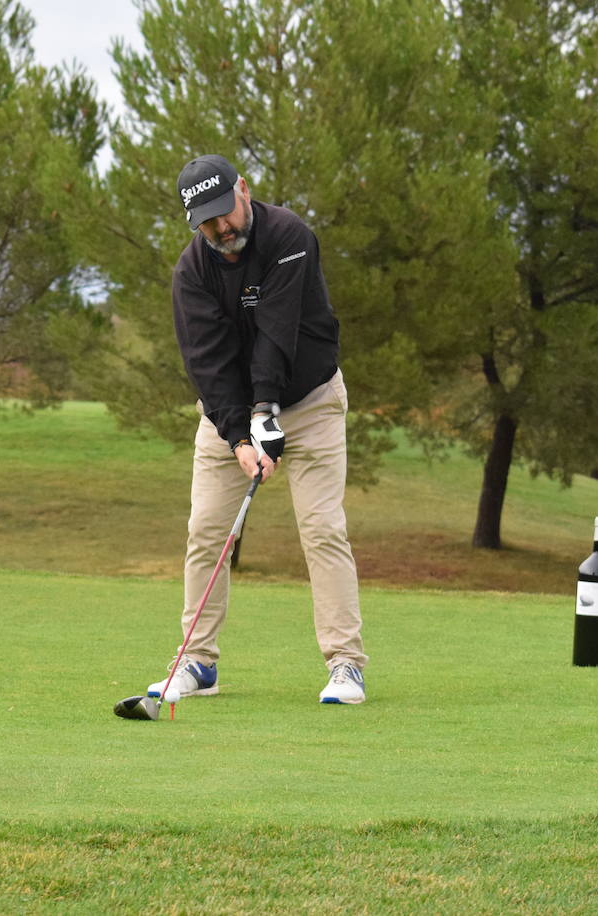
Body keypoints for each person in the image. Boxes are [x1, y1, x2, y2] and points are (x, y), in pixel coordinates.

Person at [147, 153, 368, 705]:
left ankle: (346, 665)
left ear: (244, 190)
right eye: (207, 222)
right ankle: (197, 663)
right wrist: (240, 437)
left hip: (310, 400)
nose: (222, 229)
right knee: (206, 531)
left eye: (226, 212)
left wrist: (266, 412)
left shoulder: (290, 236)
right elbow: (208, 364)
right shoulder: (192, 273)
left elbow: (277, 332)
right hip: (229, 413)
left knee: (322, 529)